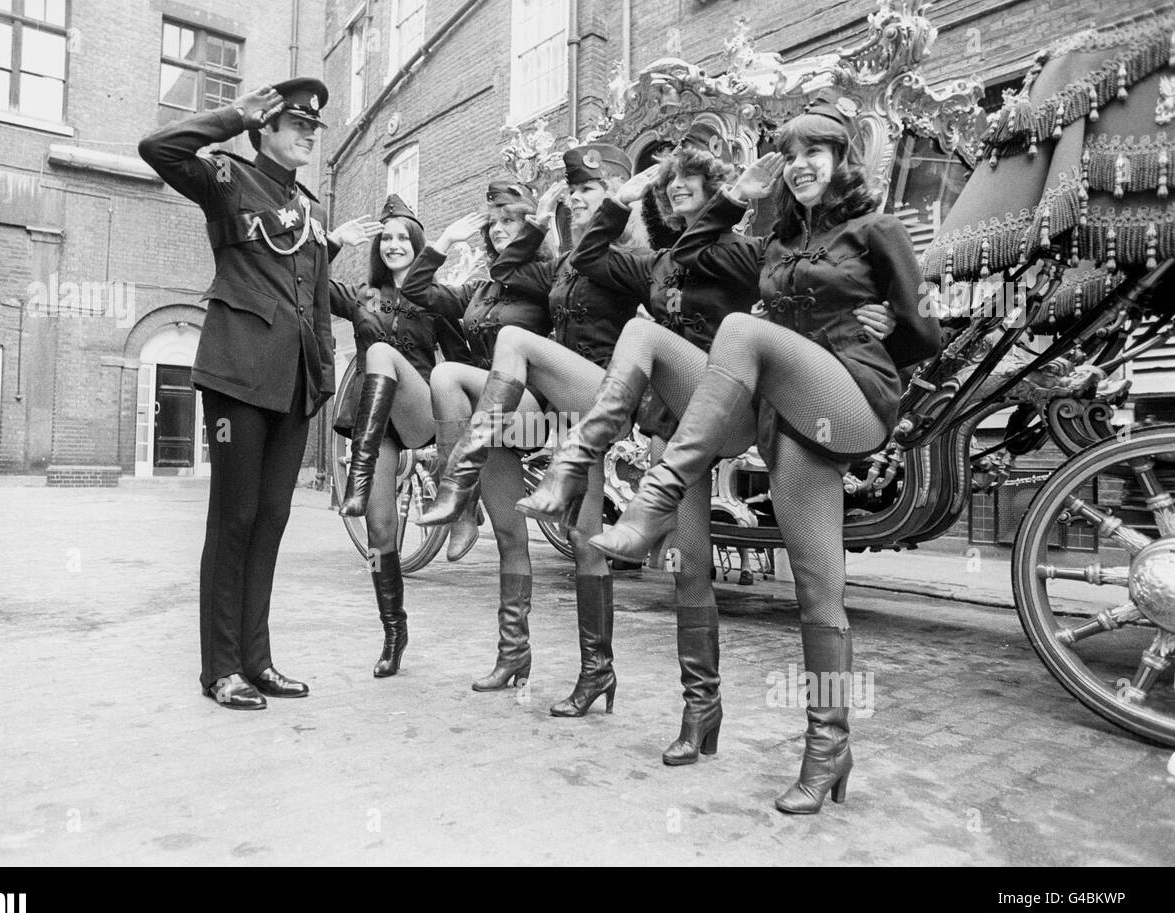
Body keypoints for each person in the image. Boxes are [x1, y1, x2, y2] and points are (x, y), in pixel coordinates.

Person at [532, 91, 939, 811]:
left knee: (740, 335)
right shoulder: (779, 244)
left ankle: (652, 494)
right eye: (792, 154)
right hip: (787, 413)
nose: (803, 164)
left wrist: (871, 329)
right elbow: (698, 260)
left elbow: (920, 334)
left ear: (843, 160)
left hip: (853, 396)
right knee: (820, 589)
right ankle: (826, 746)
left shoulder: (877, 231)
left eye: (817, 151)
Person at [139, 78, 378, 710]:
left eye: (313, 129)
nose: (308, 136)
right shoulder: (227, 180)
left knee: (272, 521)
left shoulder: (311, 212)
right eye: (295, 125)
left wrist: (379, 316)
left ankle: (257, 659)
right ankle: (220, 668)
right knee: (234, 519)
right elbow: (156, 148)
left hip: (295, 381)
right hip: (240, 374)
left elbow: (317, 290)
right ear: (264, 128)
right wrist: (230, 115)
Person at [413, 144, 646, 715]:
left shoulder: (625, 256)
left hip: (591, 407)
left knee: (588, 545)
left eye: (590, 190)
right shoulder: (568, 261)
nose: (579, 199)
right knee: (510, 531)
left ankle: (598, 670)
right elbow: (501, 275)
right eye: (576, 193)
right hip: (541, 407)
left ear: (619, 193)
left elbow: (667, 305)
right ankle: (513, 654)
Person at [399, 183, 554, 691]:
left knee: (446, 376)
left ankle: (458, 500)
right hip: (490, 421)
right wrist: (441, 242)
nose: (500, 230)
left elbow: (519, 266)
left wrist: (533, 230)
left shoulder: (540, 276)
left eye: (511, 221)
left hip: (532, 413)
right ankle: (514, 656)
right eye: (495, 225)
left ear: (530, 227)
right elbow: (416, 292)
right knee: (511, 535)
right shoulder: (481, 290)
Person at [330, 193, 473, 677]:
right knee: (379, 529)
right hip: (378, 430)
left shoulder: (430, 297)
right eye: (386, 238)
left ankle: (358, 476)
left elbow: (457, 362)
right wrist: (330, 244)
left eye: (403, 239)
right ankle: (393, 632)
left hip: (418, 415)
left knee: (382, 356)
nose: (393, 245)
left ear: (417, 246)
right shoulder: (362, 298)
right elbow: (306, 287)